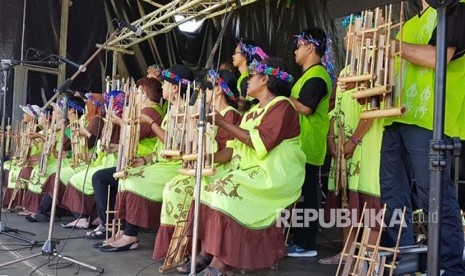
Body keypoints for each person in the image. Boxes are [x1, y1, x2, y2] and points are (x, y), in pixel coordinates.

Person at [194, 57, 305, 275]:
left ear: (265, 79)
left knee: (225, 190)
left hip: (274, 175)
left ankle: (222, 263)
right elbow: (234, 149)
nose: (248, 81)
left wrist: (223, 122)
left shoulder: (283, 106)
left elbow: (260, 141)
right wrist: (205, 158)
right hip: (250, 171)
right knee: (207, 185)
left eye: (252, 76)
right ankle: (209, 251)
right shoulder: (252, 113)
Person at [378, 1, 465, 275]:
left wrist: (392, 45)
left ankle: (450, 268)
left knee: (435, 197)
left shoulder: (455, 7)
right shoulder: (408, 23)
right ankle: (402, 262)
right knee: (392, 195)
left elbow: (439, 57)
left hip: (431, 118)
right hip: (396, 117)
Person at [95, 65, 194, 252]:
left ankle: (130, 237)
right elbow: (160, 147)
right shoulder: (172, 111)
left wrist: (151, 122)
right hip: (159, 163)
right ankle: (123, 231)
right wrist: (145, 160)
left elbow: (176, 146)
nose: (162, 87)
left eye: (164, 84)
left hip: (176, 165)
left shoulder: (188, 111)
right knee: (125, 176)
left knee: (132, 181)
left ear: (174, 88)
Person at [153, 69, 241, 266]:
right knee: (173, 187)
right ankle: (181, 250)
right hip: (204, 165)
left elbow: (230, 152)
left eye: (207, 87)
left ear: (218, 90)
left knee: (180, 190)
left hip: (221, 168)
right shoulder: (203, 112)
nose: (201, 92)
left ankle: (193, 251)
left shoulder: (230, 115)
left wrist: (205, 158)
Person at [319, 16, 383, 264]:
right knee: (347, 201)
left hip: (365, 146)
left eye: (351, 32)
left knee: (368, 201)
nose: (346, 37)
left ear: (366, 34)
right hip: (342, 146)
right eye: (346, 33)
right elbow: (335, 110)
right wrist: (331, 139)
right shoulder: (346, 71)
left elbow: (373, 111)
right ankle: (346, 253)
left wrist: (353, 141)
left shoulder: (374, 66)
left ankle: (368, 257)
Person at [88, 77, 165, 244]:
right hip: (140, 159)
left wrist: (120, 123)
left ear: (144, 94)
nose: (133, 96)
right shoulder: (149, 112)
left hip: (144, 161)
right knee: (104, 177)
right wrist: (116, 146)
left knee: (103, 178)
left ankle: (117, 228)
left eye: (137, 92)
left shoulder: (149, 113)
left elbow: (134, 136)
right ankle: (116, 227)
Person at [286, 27, 333, 258]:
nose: (296, 50)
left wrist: (281, 96)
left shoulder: (317, 76)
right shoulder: (308, 75)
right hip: (299, 146)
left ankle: (307, 245)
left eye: (299, 45)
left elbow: (305, 107)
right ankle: (299, 240)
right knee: (301, 195)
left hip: (309, 147)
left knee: (309, 196)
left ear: (310, 47)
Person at [232, 39, 269, 112]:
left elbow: (243, 107)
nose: (233, 56)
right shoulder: (244, 77)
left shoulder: (246, 78)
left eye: (235, 53)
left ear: (244, 56)